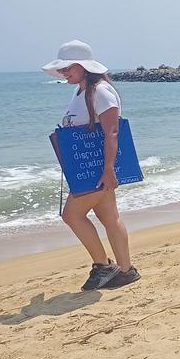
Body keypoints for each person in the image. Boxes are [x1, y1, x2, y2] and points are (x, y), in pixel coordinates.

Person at [43, 40, 141, 290]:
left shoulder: (101, 91)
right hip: (90, 167)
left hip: (96, 169)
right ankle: (126, 271)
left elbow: (112, 132)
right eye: (62, 68)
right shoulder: (82, 90)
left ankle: (103, 265)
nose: (64, 72)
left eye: (68, 67)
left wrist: (109, 170)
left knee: (71, 215)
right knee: (109, 216)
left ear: (84, 66)